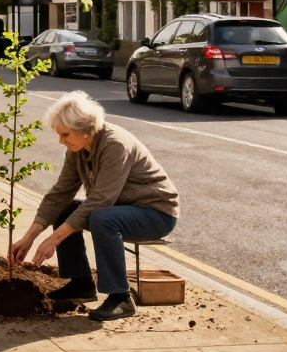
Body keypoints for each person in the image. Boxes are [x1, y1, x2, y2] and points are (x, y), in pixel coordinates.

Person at [9, 91, 179, 322]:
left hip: (156, 213)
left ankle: (120, 298)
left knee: (102, 218)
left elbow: (101, 200)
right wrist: (29, 237)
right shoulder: (78, 148)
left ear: (85, 128)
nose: (61, 140)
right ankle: (81, 284)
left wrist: (53, 239)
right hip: (118, 208)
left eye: (65, 134)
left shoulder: (116, 145)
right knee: (67, 208)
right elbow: (60, 193)